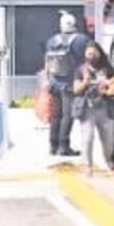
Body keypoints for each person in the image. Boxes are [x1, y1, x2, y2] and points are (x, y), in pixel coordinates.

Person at [72, 42, 114, 175]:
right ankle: (87, 165)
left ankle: (109, 161)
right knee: (87, 137)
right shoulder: (81, 70)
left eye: (94, 53)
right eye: (89, 54)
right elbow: (76, 90)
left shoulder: (107, 69)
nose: (91, 57)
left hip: (105, 108)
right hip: (88, 108)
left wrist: (109, 87)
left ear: (100, 54)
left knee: (108, 139)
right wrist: (85, 82)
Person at [44, 12, 88, 156]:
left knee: (56, 115)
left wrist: (47, 81)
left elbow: (46, 63)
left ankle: (52, 145)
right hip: (70, 83)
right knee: (67, 116)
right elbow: (86, 62)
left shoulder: (52, 40)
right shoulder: (81, 40)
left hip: (54, 82)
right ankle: (64, 146)